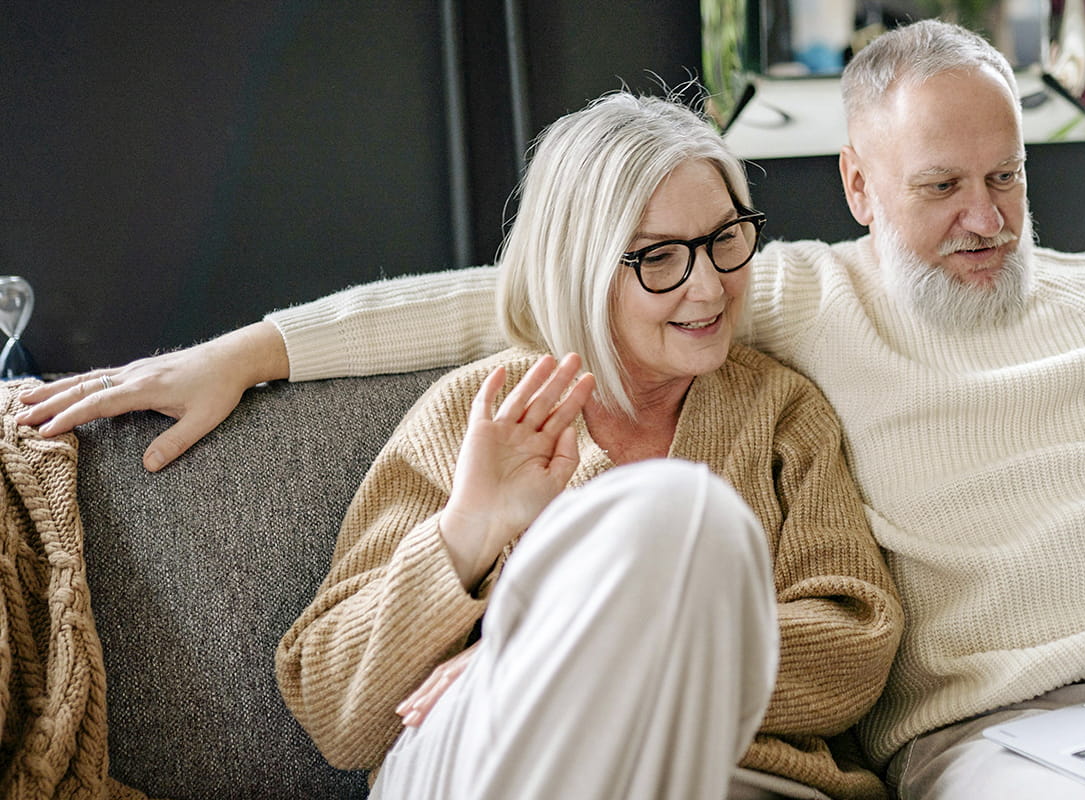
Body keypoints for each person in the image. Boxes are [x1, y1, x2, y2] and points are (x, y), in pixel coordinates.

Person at [20, 20, 1085, 800]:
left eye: (1007, 178)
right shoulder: (530, 395)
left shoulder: (774, 392)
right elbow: (336, 694)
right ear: (860, 188)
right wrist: (460, 543)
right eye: (941, 185)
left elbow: (849, 641)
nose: (707, 286)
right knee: (670, 525)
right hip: (918, 748)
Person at [273, 93, 900, 800]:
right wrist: (468, 530)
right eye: (660, 257)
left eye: (726, 239)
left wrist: (553, 658)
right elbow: (335, 711)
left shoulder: (782, 413)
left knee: (686, 512)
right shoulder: (471, 415)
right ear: (582, 269)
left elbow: (855, 647)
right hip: (493, 760)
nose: (709, 284)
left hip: (730, 778)